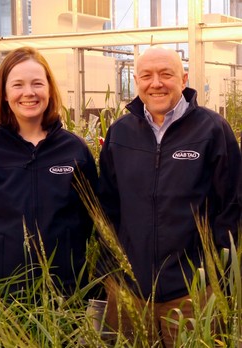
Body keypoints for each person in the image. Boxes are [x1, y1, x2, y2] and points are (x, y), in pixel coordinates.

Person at [98, 45, 241, 346]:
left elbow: (231, 207)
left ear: (184, 79)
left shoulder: (212, 130)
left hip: (193, 293)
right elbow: (108, 207)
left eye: (166, 74)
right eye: (147, 76)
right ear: (136, 81)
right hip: (128, 293)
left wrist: (216, 278)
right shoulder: (120, 133)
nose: (156, 83)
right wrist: (112, 272)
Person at [0, 46, 98, 308]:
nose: (28, 93)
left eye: (37, 83)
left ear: (49, 90)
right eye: (18, 84)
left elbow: (88, 217)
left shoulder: (75, 150)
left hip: (62, 295)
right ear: (5, 93)